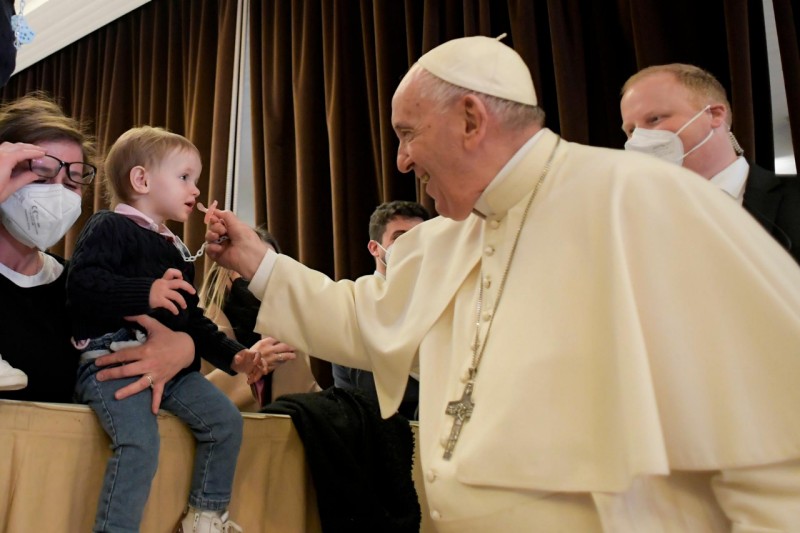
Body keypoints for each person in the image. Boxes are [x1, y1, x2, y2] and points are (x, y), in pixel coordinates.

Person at [205, 35, 800, 530]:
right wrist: (257, 259)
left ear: (470, 118)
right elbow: (363, 317)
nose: (402, 161)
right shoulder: (442, 240)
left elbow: (775, 434)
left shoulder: (642, 198)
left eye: (408, 133)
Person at [67, 126, 268, 532]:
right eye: (184, 177)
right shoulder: (108, 226)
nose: (195, 189)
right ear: (141, 180)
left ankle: (205, 516)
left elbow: (191, 320)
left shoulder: (175, 248)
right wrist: (148, 291)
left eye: (194, 179)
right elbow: (83, 285)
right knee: (139, 444)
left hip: (172, 369)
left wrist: (234, 355)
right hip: (112, 359)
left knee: (226, 423)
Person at [0, 94, 195, 405]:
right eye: (42, 172)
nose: (57, 193)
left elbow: (152, 331)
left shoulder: (81, 286)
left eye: (73, 180)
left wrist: (185, 348)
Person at [620, 63, 800, 263]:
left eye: (654, 119)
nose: (639, 139)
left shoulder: (794, 198)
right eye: (631, 130)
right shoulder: (634, 223)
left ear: (714, 114)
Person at [331, 200, 429, 419]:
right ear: (375, 247)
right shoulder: (354, 305)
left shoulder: (444, 300)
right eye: (400, 237)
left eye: (419, 236)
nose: (411, 245)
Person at [199, 226, 302, 410]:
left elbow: (307, 396)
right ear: (224, 271)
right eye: (254, 266)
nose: (262, 278)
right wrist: (250, 366)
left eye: (270, 269)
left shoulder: (289, 330)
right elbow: (186, 403)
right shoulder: (195, 327)